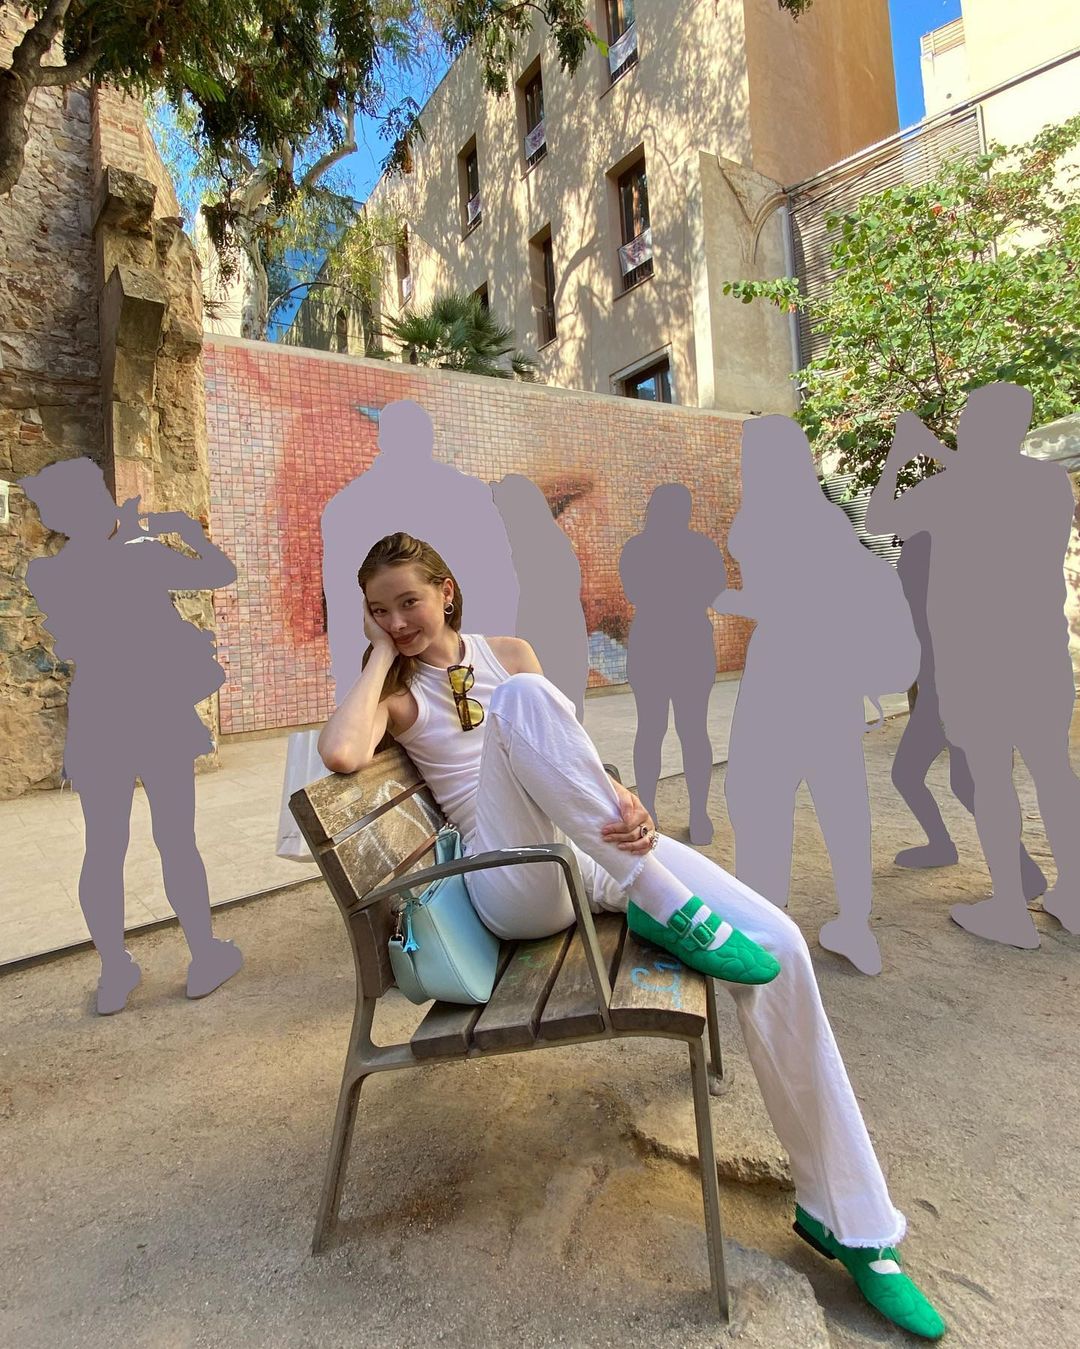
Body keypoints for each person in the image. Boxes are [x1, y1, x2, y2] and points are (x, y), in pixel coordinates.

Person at [317, 531, 947, 1340]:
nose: (398, 621)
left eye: (408, 601)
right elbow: (341, 750)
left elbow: (573, 756)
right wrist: (378, 657)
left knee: (783, 945)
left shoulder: (508, 650)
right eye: (379, 611)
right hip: (514, 882)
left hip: (590, 856)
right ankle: (663, 901)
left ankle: (851, 1220)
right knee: (520, 700)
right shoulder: (400, 697)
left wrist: (624, 800)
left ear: (446, 590)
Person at [20, 458, 244, 1014]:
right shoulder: (142, 557)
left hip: (98, 716)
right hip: (155, 710)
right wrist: (184, 533)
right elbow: (221, 573)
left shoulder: (46, 575)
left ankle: (114, 972)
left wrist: (128, 535)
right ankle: (203, 956)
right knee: (176, 839)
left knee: (102, 850)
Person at [867, 387, 1080, 949]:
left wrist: (901, 455)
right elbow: (988, 478)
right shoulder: (1050, 483)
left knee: (991, 780)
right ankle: (1074, 898)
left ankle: (1010, 909)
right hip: (1042, 658)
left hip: (975, 663)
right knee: (1055, 775)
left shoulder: (947, 490)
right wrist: (936, 451)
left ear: (976, 426)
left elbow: (879, 518)